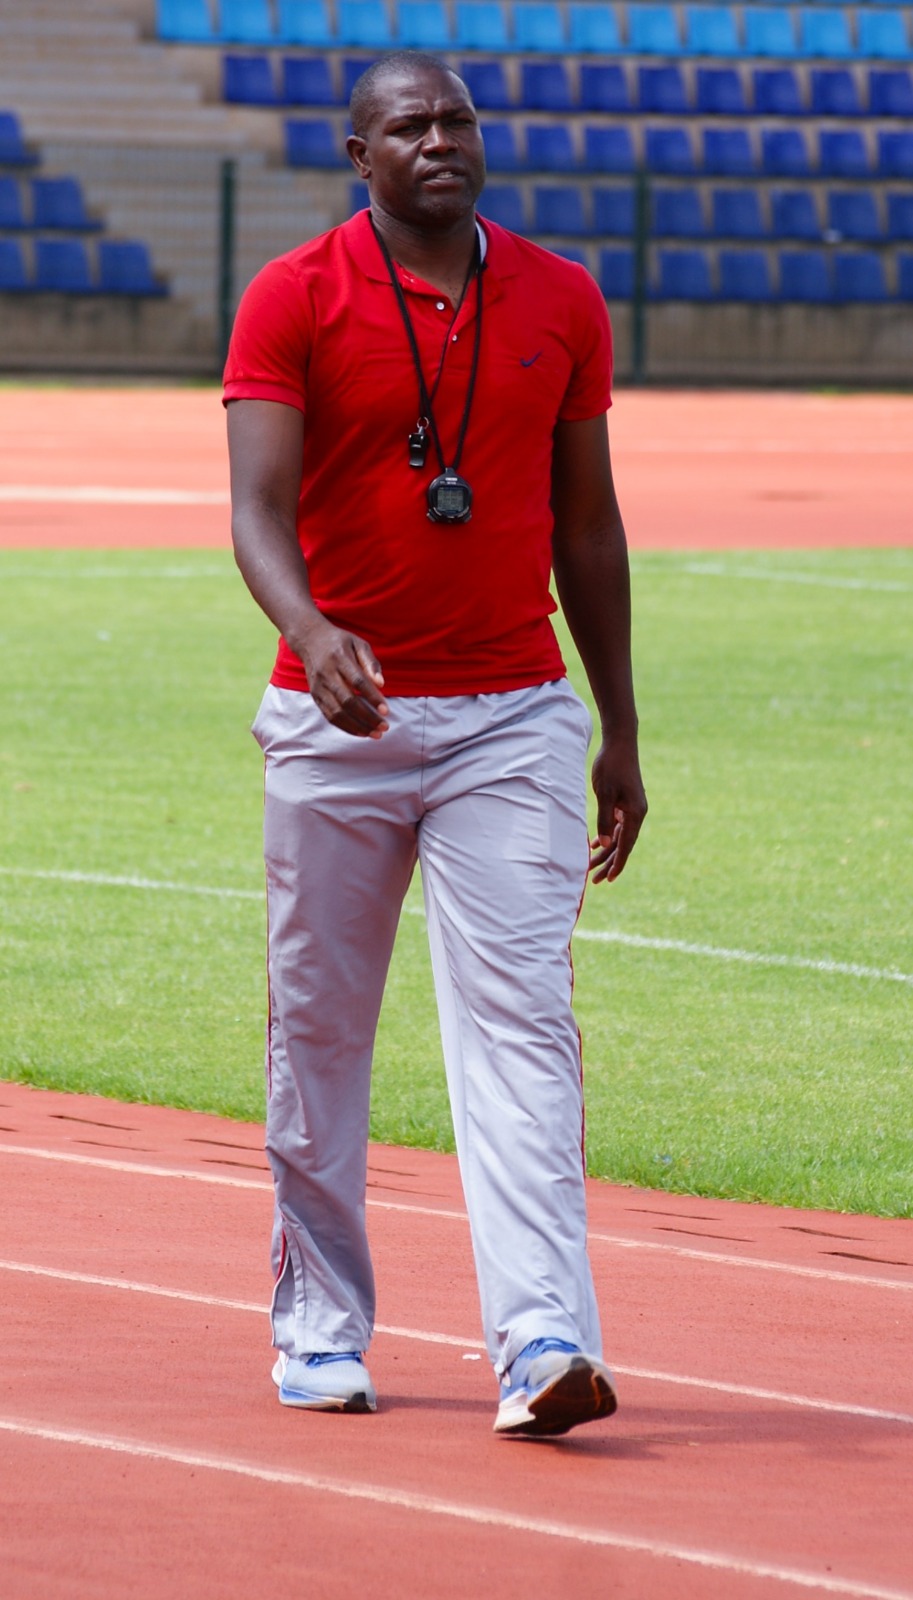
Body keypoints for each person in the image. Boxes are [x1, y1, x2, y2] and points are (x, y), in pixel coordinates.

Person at [223, 51, 647, 1438]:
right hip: (334, 720)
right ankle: (319, 1325)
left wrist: (618, 727)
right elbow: (257, 510)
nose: (440, 140)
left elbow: (589, 524)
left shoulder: (562, 295)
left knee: (523, 1023)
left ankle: (543, 1340)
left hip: (514, 715)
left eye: (457, 119)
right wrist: (312, 632)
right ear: (361, 155)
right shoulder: (294, 294)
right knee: (319, 1029)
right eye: (409, 125)